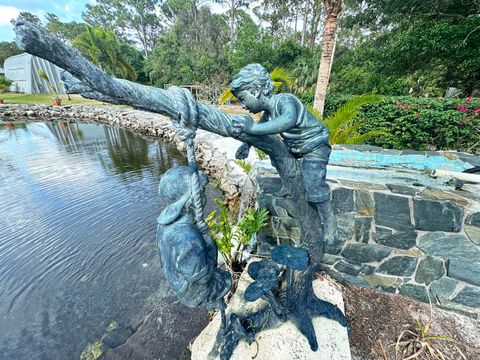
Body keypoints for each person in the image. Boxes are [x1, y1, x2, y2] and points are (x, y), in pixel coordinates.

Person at [229, 64, 338, 244]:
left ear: (256, 90)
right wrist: (246, 144)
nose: (243, 105)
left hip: (315, 145)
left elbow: (287, 120)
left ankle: (330, 221)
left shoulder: (285, 100)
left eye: (242, 98)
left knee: (313, 181)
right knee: (276, 156)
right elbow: (263, 130)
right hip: (296, 148)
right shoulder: (268, 113)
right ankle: (288, 185)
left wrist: (252, 128)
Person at [156, 166, 231, 310]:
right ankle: (218, 310)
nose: (204, 195)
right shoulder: (189, 238)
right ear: (191, 199)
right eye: (201, 191)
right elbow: (203, 278)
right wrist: (208, 243)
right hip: (194, 291)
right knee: (225, 280)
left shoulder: (163, 225)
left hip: (177, 283)